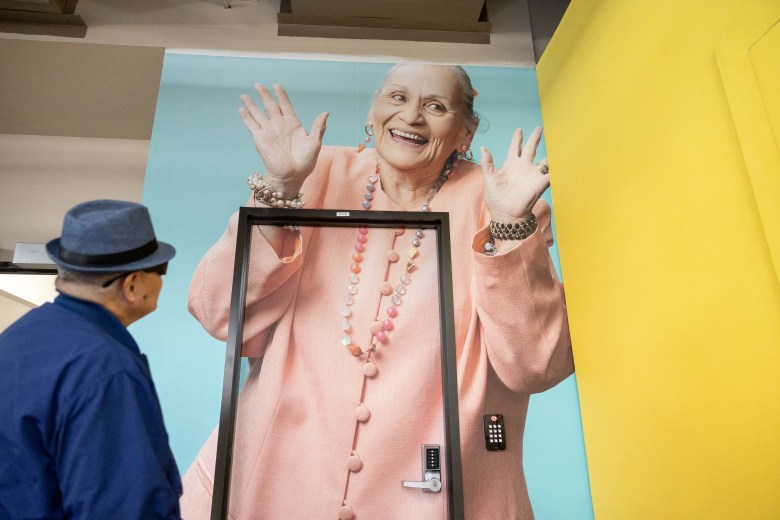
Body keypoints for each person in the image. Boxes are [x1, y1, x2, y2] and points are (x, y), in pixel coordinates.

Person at [181, 64, 573, 519]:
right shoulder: (313, 174)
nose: (411, 117)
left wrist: (508, 223)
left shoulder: (503, 202)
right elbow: (217, 314)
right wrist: (280, 188)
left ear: (465, 131)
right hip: (282, 476)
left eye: (436, 106)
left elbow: (534, 364)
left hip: (436, 488)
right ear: (373, 111)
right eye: (397, 98)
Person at [0, 200, 182, 519]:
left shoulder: (16, 338)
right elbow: (123, 509)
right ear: (132, 284)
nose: (163, 282)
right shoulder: (108, 370)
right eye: (160, 269)